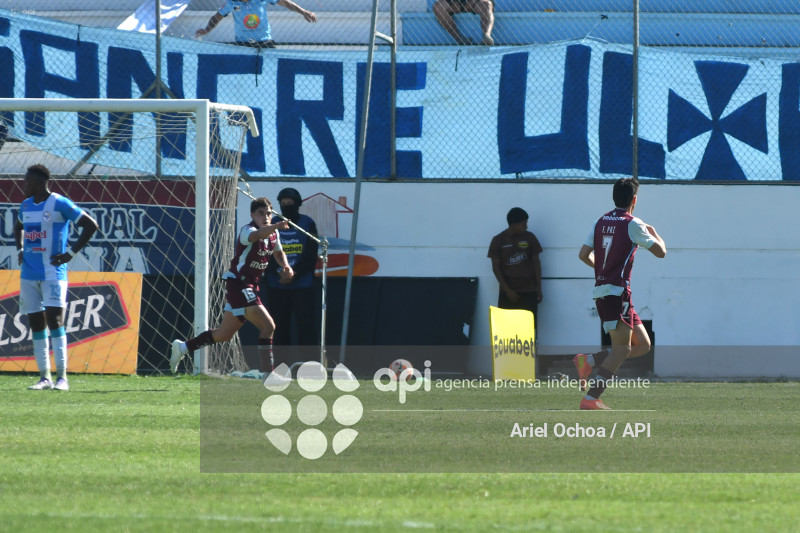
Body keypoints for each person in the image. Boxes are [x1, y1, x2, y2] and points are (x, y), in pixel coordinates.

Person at [170, 197, 292, 373]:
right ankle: (268, 374)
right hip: (239, 284)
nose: (265, 217)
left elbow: (279, 253)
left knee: (224, 334)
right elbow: (256, 235)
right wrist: (276, 225)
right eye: (260, 214)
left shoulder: (274, 234)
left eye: (269, 214)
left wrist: (286, 266)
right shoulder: (247, 230)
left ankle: (182, 347)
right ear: (252, 215)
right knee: (268, 326)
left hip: (251, 286)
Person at [574, 178, 666, 410]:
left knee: (643, 345)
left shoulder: (599, 221)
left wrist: (602, 270)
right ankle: (591, 398)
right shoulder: (633, 223)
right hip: (616, 292)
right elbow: (661, 252)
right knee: (622, 349)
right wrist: (655, 234)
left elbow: (583, 255)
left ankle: (590, 360)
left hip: (611, 292)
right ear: (634, 199)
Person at [14, 164, 99, 391]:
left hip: (53, 273)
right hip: (29, 275)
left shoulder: (59, 203)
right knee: (36, 323)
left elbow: (91, 225)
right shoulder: (25, 205)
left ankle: (62, 378)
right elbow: (18, 227)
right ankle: (44, 377)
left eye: (27, 180)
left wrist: (70, 254)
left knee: (55, 321)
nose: (24, 184)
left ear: (40, 181)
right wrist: (20, 249)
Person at [263, 188, 319, 354]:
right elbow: (265, 253)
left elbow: (311, 255)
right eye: (283, 203)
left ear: (298, 204)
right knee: (278, 327)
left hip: (303, 284)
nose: (287, 206)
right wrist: (280, 271)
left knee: (307, 326)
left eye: (290, 202)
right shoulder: (271, 223)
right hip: (277, 284)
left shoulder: (307, 223)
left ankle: (309, 365)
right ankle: (280, 366)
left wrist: (293, 274)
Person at [487, 207, 543, 329]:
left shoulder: (530, 238)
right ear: (513, 224)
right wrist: (508, 291)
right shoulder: (498, 240)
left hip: (529, 291)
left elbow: (536, 264)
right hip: (507, 293)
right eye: (523, 224)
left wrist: (539, 288)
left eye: (526, 223)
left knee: (528, 329)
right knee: (506, 330)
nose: (526, 227)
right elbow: (495, 268)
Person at [195, 0, 317, 48]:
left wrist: (303, 12)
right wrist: (207, 29)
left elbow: (284, 2)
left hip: (264, 42)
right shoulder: (231, 3)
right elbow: (217, 17)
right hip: (243, 43)